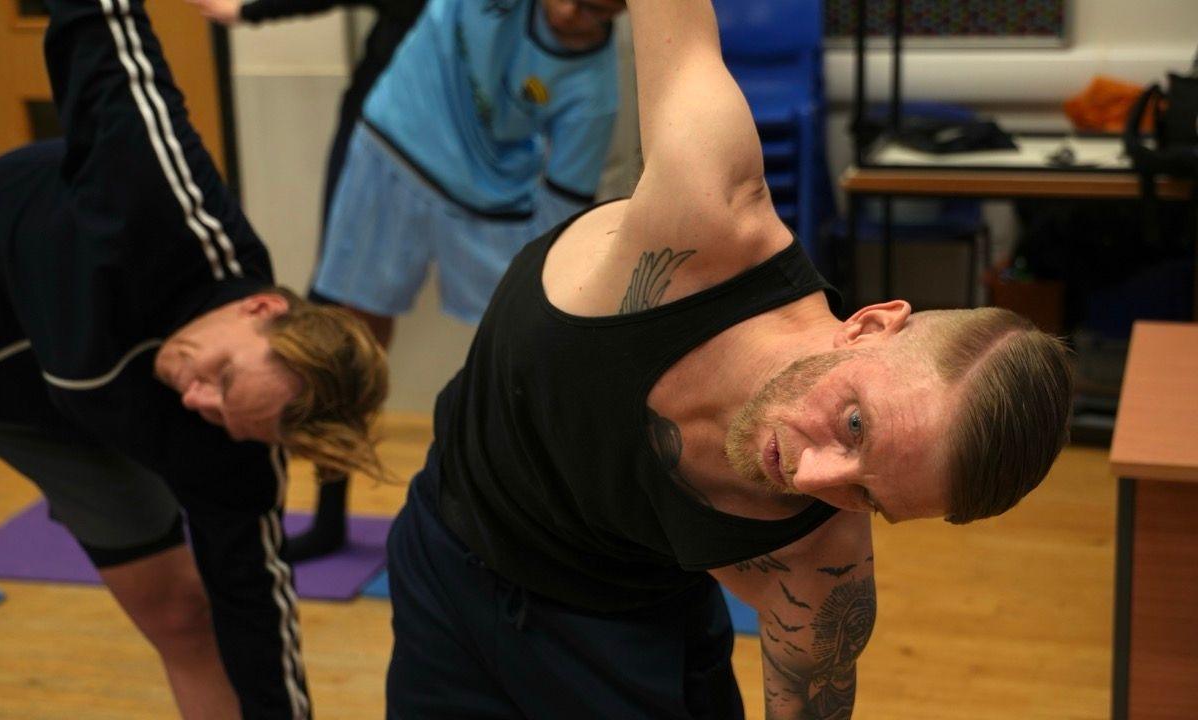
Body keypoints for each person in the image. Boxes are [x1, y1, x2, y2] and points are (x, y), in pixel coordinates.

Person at [381, 0, 1075, 717]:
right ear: (870, 325)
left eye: (868, 497)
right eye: (856, 425)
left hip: (621, 648)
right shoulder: (707, 214)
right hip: (447, 557)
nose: (812, 476)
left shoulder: (821, 568)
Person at [0, 1, 387, 718]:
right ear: (263, 307)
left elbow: (260, 622)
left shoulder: (232, 432)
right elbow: (99, 21)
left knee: (186, 617)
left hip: (66, 424)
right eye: (221, 378)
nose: (196, 401)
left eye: (225, 416)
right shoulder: (155, 197)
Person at [291, 0, 626, 560]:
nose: (572, 14)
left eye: (598, 10)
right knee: (352, 337)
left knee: (523, 348)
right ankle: (329, 513)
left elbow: (561, 214)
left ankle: (519, 520)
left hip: (489, 198)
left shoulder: (595, 91)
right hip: (395, 147)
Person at [186, 0, 427, 561]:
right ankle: (329, 514)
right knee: (340, 318)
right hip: (380, 122)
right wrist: (249, 11)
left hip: (479, 130)